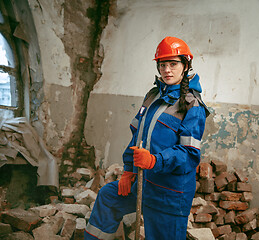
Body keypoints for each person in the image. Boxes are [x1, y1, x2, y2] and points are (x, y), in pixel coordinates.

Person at [84, 36, 210, 240]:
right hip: (144, 183)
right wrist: (128, 170)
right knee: (108, 196)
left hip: (169, 194)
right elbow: (137, 136)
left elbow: (189, 155)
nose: (167, 70)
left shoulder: (192, 106)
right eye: (162, 64)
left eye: (173, 64)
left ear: (185, 66)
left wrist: (154, 160)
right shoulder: (152, 96)